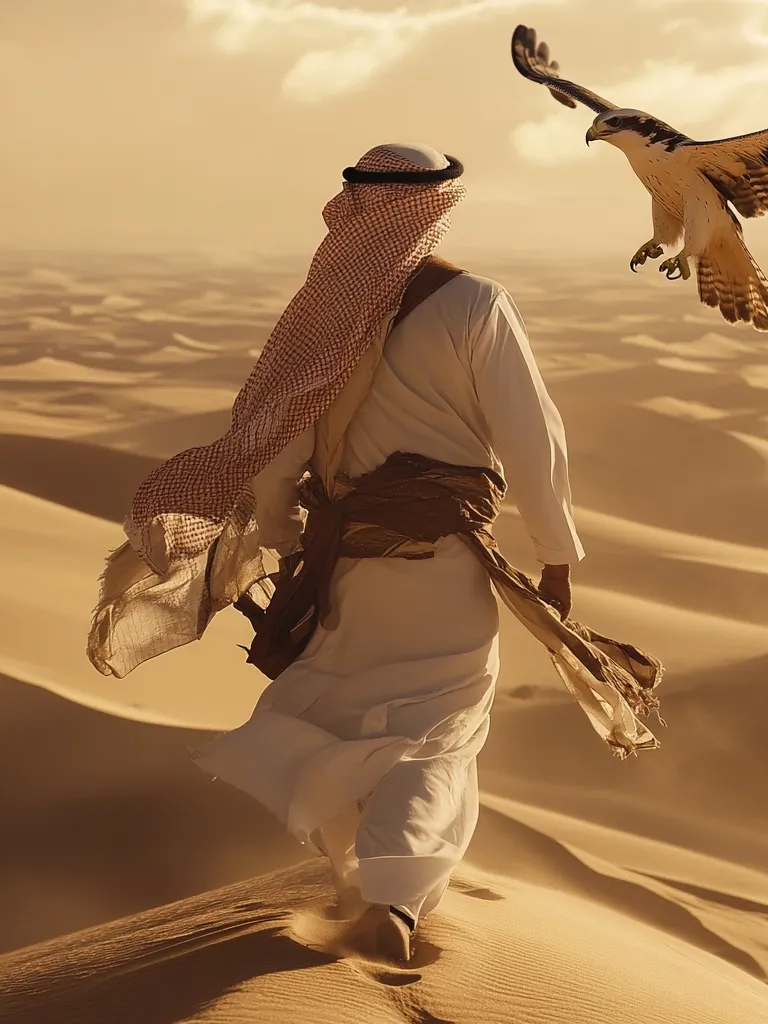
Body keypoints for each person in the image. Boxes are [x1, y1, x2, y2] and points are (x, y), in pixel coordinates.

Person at [87, 143, 661, 965]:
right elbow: (533, 441)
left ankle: (354, 878)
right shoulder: (475, 304)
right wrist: (555, 556)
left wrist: (289, 542)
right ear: (438, 206)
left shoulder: (325, 311)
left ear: (356, 208)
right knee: (441, 730)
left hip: (344, 568)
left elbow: (282, 437)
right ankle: (392, 896)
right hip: (443, 567)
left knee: (334, 712)